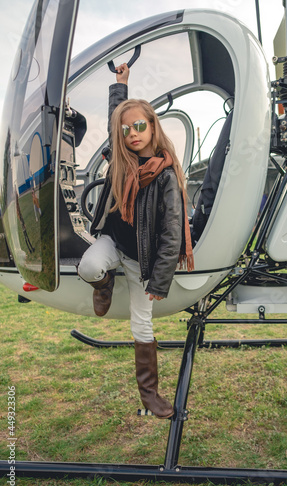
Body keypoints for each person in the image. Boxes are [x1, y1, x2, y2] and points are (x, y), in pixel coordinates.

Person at [78, 63, 194, 419]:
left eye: (140, 126)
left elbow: (172, 232)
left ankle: (150, 394)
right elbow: (118, 116)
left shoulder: (166, 176)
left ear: (153, 127)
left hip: (144, 262)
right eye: (127, 130)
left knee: (141, 324)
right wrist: (120, 84)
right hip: (115, 242)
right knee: (89, 266)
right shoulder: (120, 161)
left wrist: (159, 280)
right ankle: (105, 284)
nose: (133, 133)